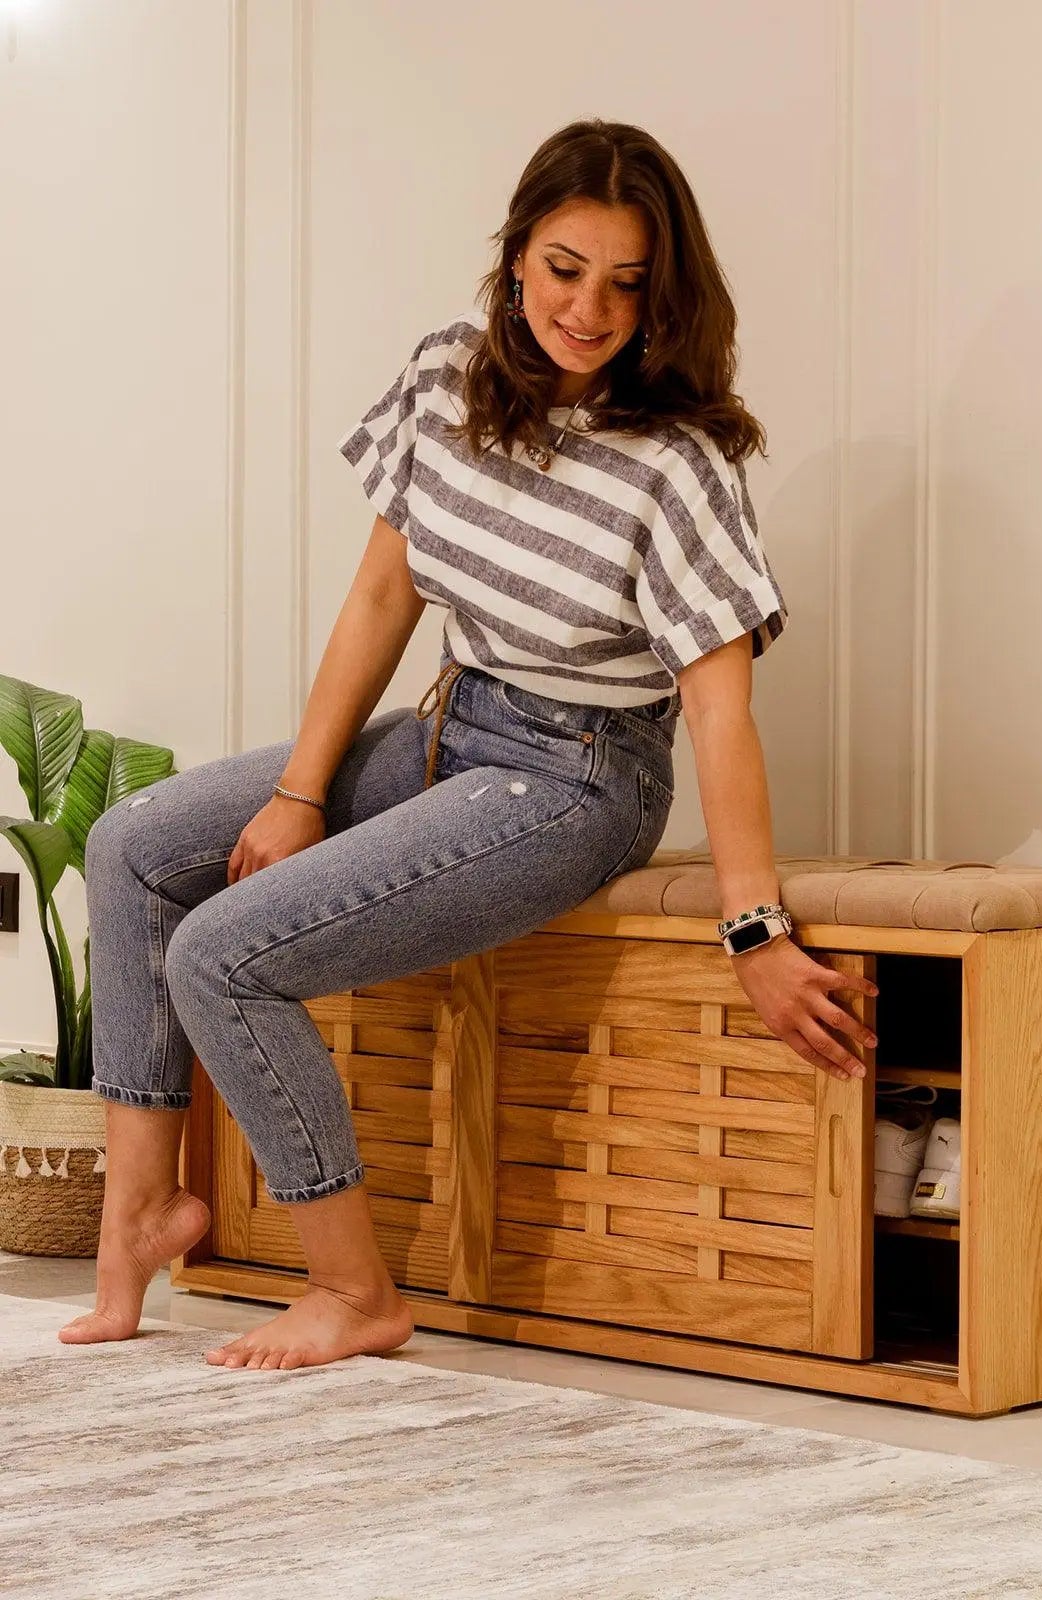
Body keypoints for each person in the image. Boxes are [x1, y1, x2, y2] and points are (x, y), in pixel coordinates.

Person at [57, 118, 878, 1372]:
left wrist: (752, 928)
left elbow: (718, 704)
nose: (587, 308)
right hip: (452, 724)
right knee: (130, 846)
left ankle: (353, 1290)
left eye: (624, 281)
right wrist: (298, 790)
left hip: (578, 776)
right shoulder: (448, 376)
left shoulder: (678, 461)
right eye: (563, 267)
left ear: (664, 294)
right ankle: (138, 1212)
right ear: (513, 259)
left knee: (227, 952)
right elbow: (384, 598)